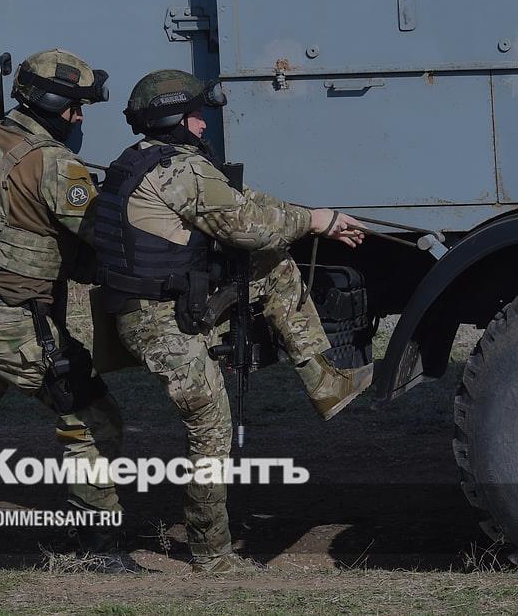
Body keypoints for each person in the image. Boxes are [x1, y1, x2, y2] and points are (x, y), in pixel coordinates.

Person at [92, 69, 372, 573]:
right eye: (196, 114)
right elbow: (249, 227)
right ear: (174, 119)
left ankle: (324, 380)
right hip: (159, 323)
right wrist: (314, 222)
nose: (203, 124)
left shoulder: (139, 160)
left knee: (274, 267)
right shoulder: (180, 171)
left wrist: (316, 216)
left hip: (161, 308)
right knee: (210, 424)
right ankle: (212, 553)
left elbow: (247, 204)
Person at [0, 49, 139, 572]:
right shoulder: (55, 164)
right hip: (14, 320)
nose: (79, 119)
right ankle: (98, 546)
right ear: (55, 104)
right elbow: (103, 236)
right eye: (76, 107)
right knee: (94, 421)